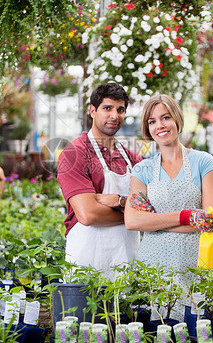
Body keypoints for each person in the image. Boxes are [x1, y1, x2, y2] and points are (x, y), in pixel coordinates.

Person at [125, 94, 213, 320]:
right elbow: (133, 221)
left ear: (177, 118)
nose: (160, 125)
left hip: (194, 262)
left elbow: (211, 221)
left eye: (165, 117)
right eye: (152, 121)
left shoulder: (203, 161)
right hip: (153, 265)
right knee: (154, 329)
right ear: (147, 128)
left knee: (195, 326)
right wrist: (187, 216)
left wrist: (155, 224)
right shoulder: (142, 169)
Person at [57, 82, 143, 279]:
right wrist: (135, 216)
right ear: (92, 111)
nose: (115, 115)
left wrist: (117, 201)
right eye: (107, 108)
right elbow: (88, 215)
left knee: (124, 308)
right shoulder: (74, 153)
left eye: (120, 110)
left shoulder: (133, 159)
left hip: (127, 261)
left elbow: (152, 204)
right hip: (87, 261)